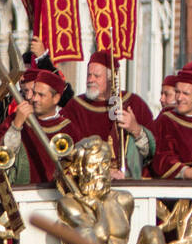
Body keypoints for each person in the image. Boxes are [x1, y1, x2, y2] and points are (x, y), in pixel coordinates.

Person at [62, 50, 155, 179]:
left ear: (111, 79)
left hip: (129, 183)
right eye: (89, 75)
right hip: (89, 182)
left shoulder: (134, 103)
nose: (90, 80)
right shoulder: (75, 107)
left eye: (96, 76)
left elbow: (151, 153)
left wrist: (136, 129)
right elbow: (67, 152)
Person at [0, 68, 77, 185]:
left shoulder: (68, 128)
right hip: (24, 194)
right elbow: (1, 156)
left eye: (41, 95)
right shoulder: (16, 119)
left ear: (56, 98)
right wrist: (16, 125)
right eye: (34, 93)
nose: (34, 98)